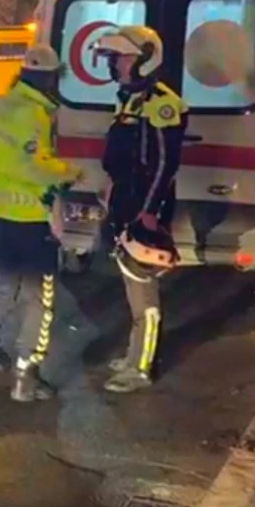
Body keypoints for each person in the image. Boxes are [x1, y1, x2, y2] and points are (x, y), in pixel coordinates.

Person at [0, 46, 81, 402]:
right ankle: (26, 378)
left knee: (4, 288)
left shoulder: (0, 106)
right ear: (50, 77)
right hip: (33, 218)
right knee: (40, 299)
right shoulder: (34, 113)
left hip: (1, 213)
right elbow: (33, 166)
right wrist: (69, 172)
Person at [91, 25, 187, 394]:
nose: (115, 64)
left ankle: (141, 366)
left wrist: (148, 211)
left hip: (143, 203)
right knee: (131, 281)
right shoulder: (129, 98)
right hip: (126, 198)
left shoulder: (161, 102)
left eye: (122, 57)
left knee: (142, 288)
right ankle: (135, 352)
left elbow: (164, 164)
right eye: (115, 57)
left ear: (145, 60)